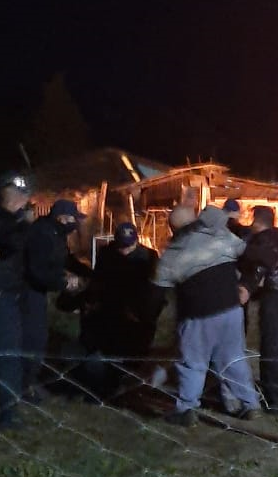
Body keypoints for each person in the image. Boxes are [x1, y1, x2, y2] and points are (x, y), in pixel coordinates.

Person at [153, 205, 261, 427]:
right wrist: (246, 285)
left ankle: (186, 410)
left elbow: (156, 292)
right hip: (231, 310)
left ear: (172, 228)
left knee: (193, 363)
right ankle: (250, 405)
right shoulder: (220, 236)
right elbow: (248, 255)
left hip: (198, 315)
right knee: (233, 360)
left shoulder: (171, 254)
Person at [78, 222, 161, 398]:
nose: (124, 250)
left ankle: (126, 385)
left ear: (136, 241)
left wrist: (144, 311)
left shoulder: (149, 256)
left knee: (134, 353)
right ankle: (105, 385)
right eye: (121, 246)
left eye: (129, 246)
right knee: (108, 349)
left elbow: (155, 289)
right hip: (110, 310)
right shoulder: (107, 253)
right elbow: (98, 280)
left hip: (136, 314)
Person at [23, 198, 93, 402]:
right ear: (62, 217)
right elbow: (37, 269)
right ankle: (24, 386)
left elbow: (66, 259)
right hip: (26, 292)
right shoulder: (42, 234)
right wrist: (64, 283)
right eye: (74, 218)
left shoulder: (56, 233)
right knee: (33, 338)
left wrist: (89, 272)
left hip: (36, 292)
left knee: (37, 336)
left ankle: (28, 382)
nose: (76, 223)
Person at [237, 206, 278, 414]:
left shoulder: (262, 242)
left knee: (271, 354)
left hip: (274, 301)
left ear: (257, 221)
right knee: (273, 353)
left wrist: (247, 287)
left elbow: (260, 266)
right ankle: (273, 399)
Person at [0, 171, 34, 429]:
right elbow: (10, 243)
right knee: (9, 355)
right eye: (20, 195)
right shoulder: (10, 225)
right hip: (3, 299)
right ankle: (7, 415)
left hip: (10, 295)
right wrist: (24, 223)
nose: (23, 200)